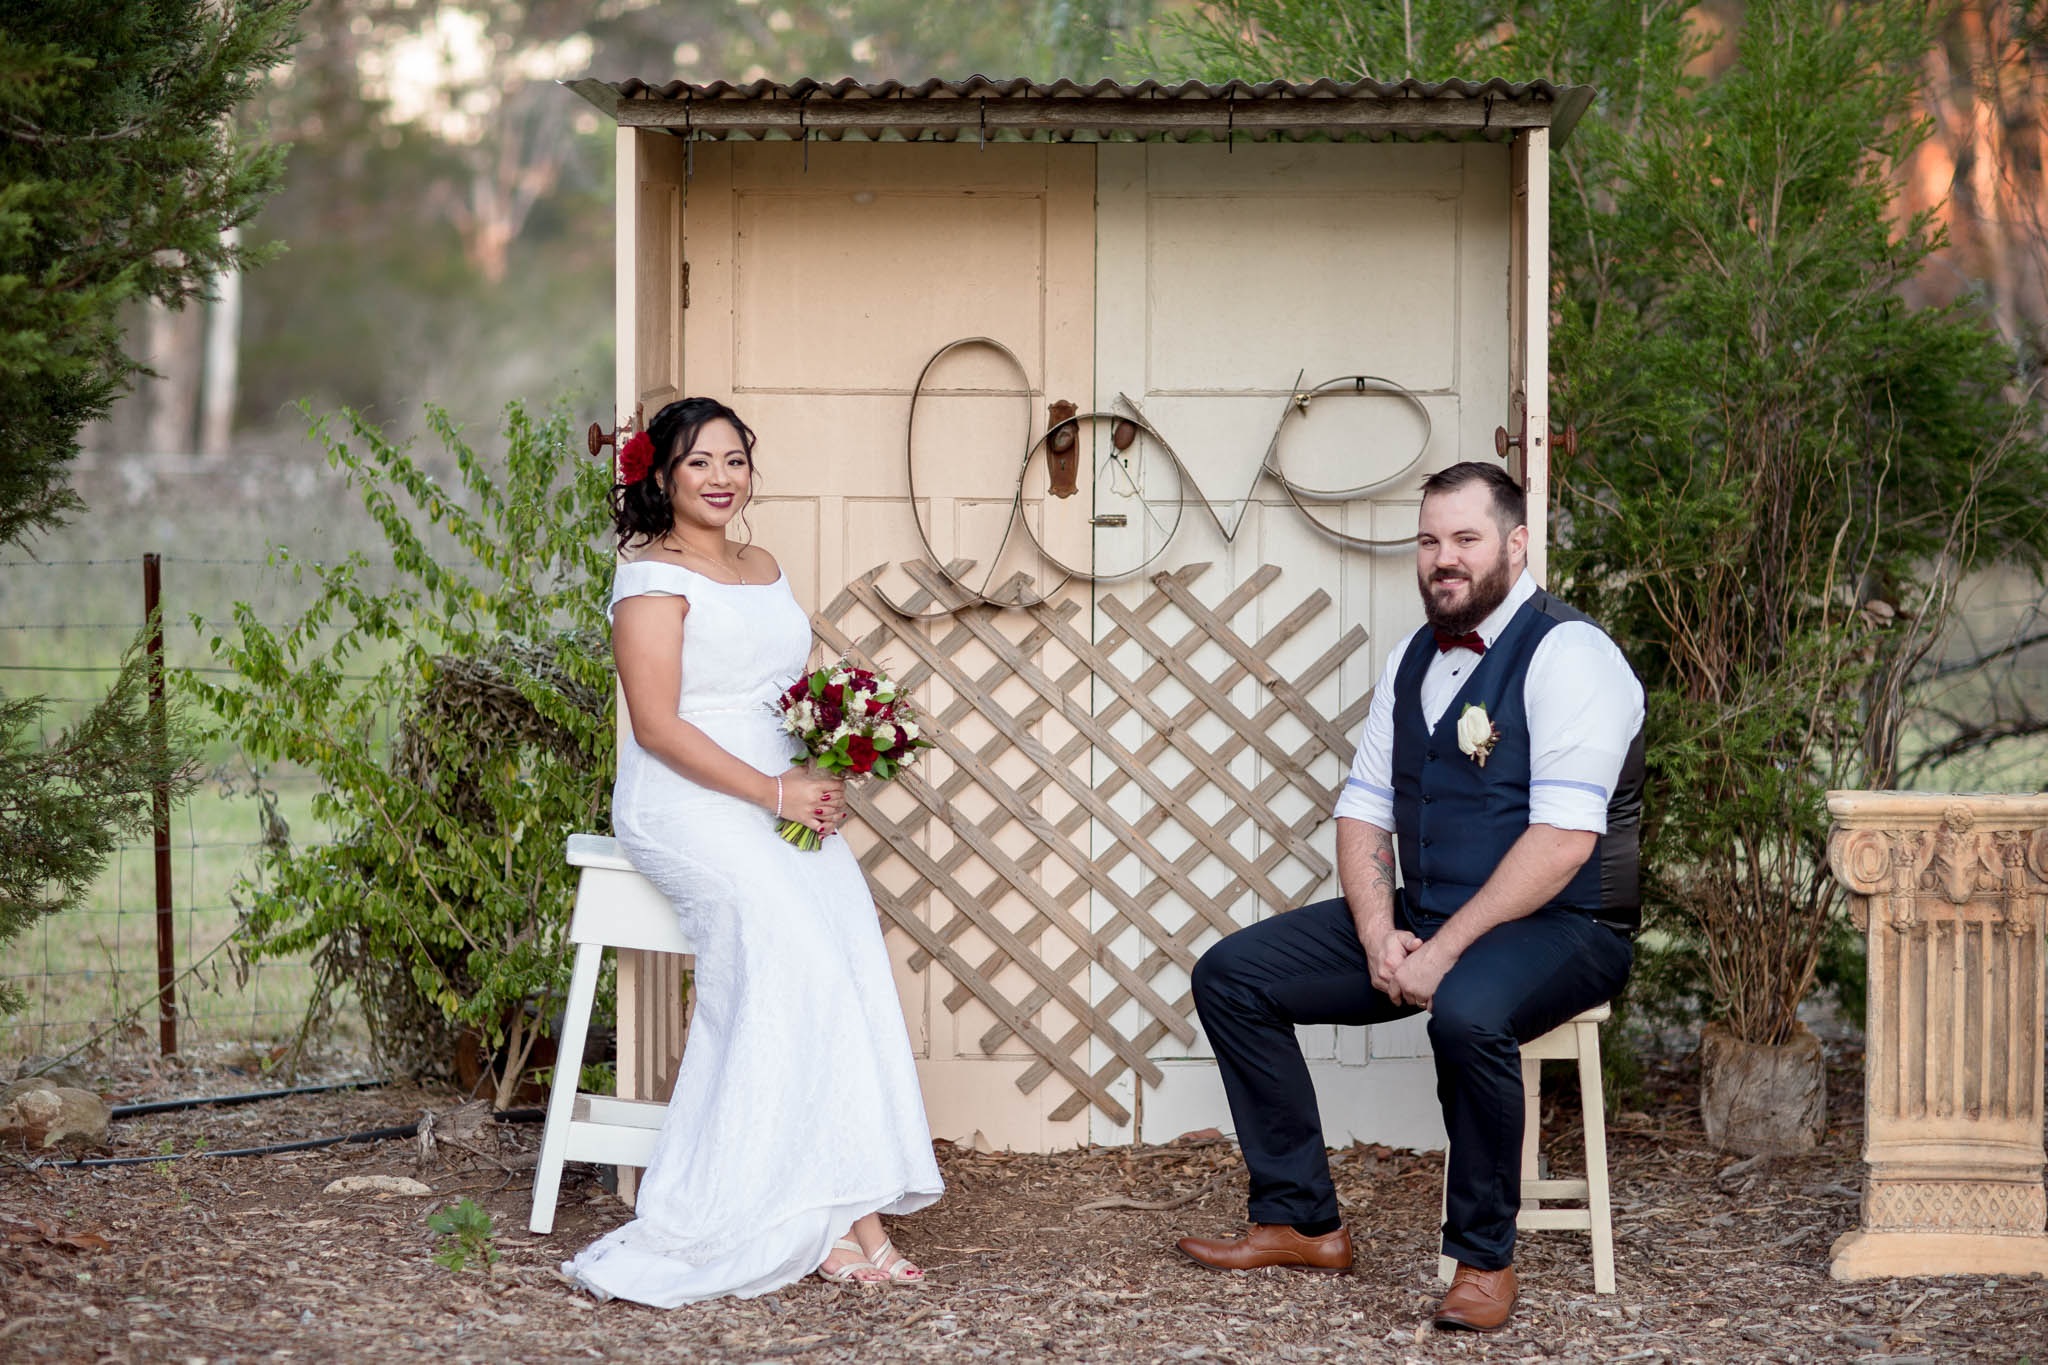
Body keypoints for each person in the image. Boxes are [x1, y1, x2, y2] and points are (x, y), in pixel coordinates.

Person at [1173, 461, 1643, 1333]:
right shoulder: (1412, 657)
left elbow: (1563, 842)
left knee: (1465, 1013)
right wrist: (1380, 931)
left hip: (1565, 925)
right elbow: (1363, 807)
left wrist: (1445, 950)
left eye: (1465, 539)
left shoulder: (1572, 654)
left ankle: (1484, 1261)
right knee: (1232, 976)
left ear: (1516, 544)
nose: (1443, 558)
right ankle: (1301, 1220)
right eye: (1429, 541)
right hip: (1426, 916)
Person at [563, 396, 942, 1305]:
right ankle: (835, 1220)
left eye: (734, 460)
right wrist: (774, 792)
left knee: (844, 947)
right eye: (699, 462)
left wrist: (826, 755)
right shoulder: (649, 579)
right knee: (792, 954)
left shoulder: (764, 565)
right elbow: (656, 727)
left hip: (781, 789)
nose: (721, 477)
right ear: (661, 475)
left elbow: (784, 691)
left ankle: (846, 1209)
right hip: (686, 800)